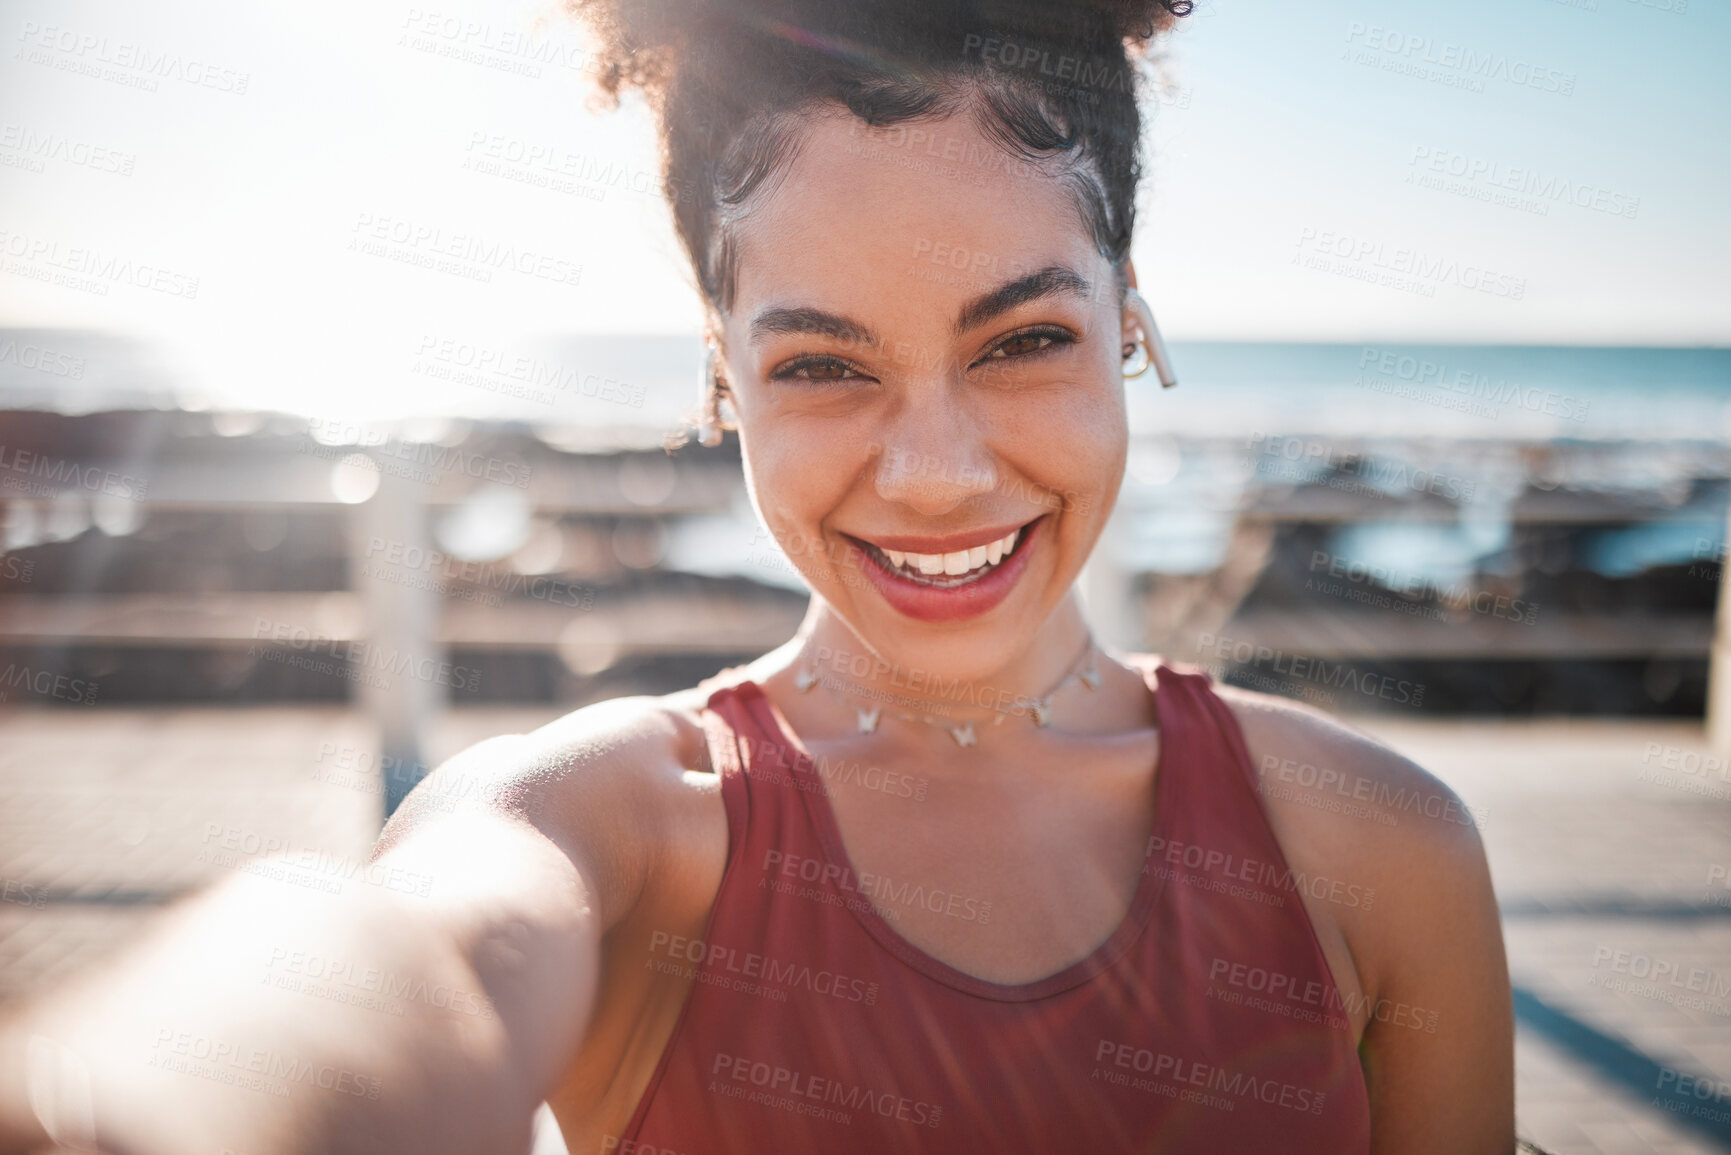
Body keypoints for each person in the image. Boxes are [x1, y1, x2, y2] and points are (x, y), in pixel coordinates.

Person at [0, 0, 1514, 1151]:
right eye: (822, 364)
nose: (935, 472)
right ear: (722, 379)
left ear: (1132, 322)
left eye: (1025, 340)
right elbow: (421, 957)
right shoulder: (623, 828)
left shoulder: (1379, 853)